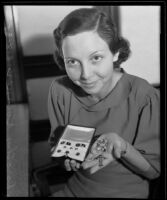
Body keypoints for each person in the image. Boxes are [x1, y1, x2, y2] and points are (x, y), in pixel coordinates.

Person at [47, 7, 160, 198]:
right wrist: (67, 158)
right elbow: (58, 146)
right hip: (76, 189)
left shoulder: (144, 96)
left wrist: (120, 146)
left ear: (115, 53)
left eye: (96, 58)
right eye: (72, 62)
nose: (85, 75)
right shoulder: (60, 91)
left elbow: (153, 172)